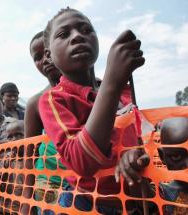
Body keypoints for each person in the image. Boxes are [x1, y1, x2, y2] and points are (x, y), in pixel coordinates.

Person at [38, 7, 144, 213]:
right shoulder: (54, 99)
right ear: (49, 56)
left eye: (86, 30)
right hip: (88, 205)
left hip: (136, 201)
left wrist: (136, 155)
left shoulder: (124, 91)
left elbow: (142, 136)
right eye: (64, 34)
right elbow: (81, 161)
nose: (77, 36)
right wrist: (112, 82)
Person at [115, 117, 188, 214]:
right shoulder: (167, 194)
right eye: (176, 156)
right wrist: (136, 168)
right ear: (162, 157)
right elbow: (149, 203)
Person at [25, 31, 62, 137]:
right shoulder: (35, 103)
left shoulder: (97, 85)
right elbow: (30, 151)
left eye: (49, 52)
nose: (45, 60)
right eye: (38, 57)